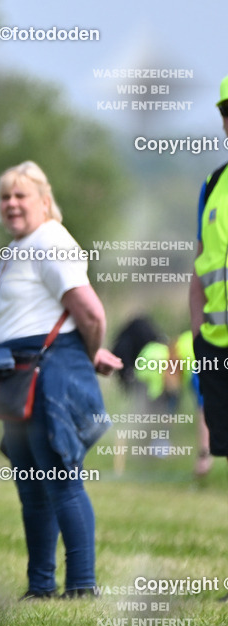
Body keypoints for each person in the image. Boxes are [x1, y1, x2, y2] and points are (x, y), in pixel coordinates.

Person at [0, 161, 121, 599]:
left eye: (20, 195)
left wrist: (83, 352)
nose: (11, 204)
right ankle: (40, 585)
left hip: (47, 373)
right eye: (5, 197)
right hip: (16, 375)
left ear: (45, 201)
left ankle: (82, 585)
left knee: (61, 479)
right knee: (31, 487)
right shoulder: (15, 249)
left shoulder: (50, 240)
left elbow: (90, 312)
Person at [190, 75, 228, 499]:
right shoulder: (213, 185)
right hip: (218, 345)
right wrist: (199, 335)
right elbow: (200, 267)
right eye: (226, 111)